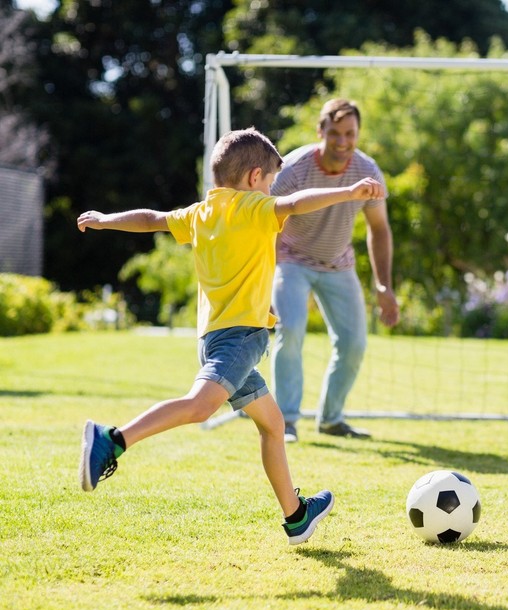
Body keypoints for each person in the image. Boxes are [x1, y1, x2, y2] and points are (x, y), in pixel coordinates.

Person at [76, 127, 385, 545]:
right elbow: (295, 203)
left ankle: (296, 516)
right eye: (270, 182)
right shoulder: (255, 209)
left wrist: (105, 220)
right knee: (201, 407)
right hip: (240, 339)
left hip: (217, 338)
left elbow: (151, 219)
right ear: (255, 178)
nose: (273, 191)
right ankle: (112, 441)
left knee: (273, 425)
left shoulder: (201, 212)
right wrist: (350, 192)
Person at [270, 99, 399, 444]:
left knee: (354, 344)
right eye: (335, 133)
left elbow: (380, 229)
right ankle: (285, 422)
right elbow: (266, 223)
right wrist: (262, 281)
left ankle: (331, 418)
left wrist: (384, 286)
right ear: (320, 132)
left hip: (338, 264)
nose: (343, 141)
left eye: (350, 134)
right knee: (292, 329)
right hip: (291, 260)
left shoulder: (367, 170)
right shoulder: (293, 169)